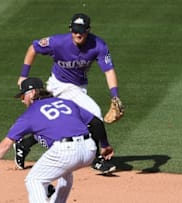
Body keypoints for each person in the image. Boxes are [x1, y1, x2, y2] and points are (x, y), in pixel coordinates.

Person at [14, 13, 124, 173]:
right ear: (70, 29)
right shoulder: (58, 42)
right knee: (94, 116)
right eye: (75, 30)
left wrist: (115, 95)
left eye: (82, 31)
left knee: (63, 123)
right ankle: (97, 158)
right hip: (58, 85)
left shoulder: (98, 45)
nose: (78, 34)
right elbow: (33, 48)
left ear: (88, 30)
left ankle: (23, 145)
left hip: (79, 88)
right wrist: (24, 74)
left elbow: (109, 71)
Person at [0, 77, 114, 203]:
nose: (22, 100)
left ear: (31, 94)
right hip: (89, 150)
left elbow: (6, 143)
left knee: (34, 180)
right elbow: (96, 123)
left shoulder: (29, 114)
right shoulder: (66, 102)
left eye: (23, 96)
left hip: (66, 151)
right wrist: (105, 145)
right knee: (65, 174)